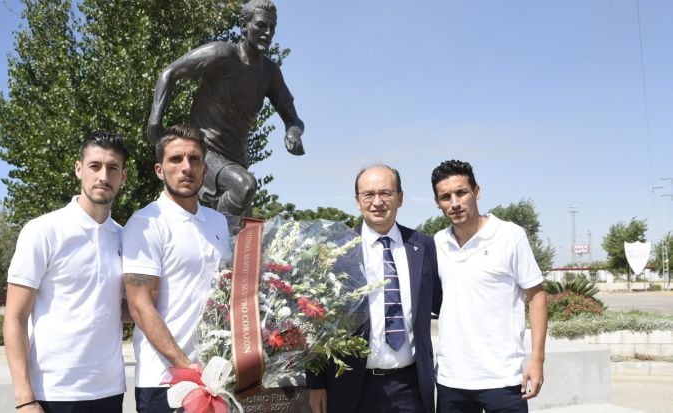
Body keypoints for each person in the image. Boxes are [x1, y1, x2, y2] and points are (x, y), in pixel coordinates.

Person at [3, 131, 129, 412]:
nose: (103, 177)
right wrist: (24, 398)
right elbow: (15, 317)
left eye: (113, 168)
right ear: (78, 169)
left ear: (123, 176)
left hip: (109, 389)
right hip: (53, 391)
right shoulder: (42, 231)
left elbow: (118, 307)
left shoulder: (124, 238)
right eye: (95, 166)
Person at [146, 0, 305, 218]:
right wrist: (155, 121)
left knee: (246, 229)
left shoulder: (270, 73)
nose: (267, 33)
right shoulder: (221, 54)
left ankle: (222, 241)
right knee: (245, 187)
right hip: (204, 151)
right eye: (261, 25)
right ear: (244, 27)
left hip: (236, 160)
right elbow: (169, 73)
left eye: (272, 28)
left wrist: (292, 132)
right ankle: (219, 240)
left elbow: (293, 119)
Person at [307, 165, 442, 413]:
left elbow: (445, 304)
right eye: (368, 194)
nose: (377, 202)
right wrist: (315, 384)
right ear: (357, 201)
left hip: (409, 387)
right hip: (350, 387)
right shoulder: (335, 251)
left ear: (400, 198)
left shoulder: (424, 247)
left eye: (386, 193)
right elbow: (315, 321)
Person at [122, 124, 232, 413]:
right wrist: (187, 366)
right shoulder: (146, 223)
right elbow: (140, 307)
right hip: (166, 381)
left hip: (217, 378)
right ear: (160, 170)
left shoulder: (218, 222)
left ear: (205, 169)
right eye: (176, 159)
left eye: (194, 159)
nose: (186, 167)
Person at [430, 159, 547, 412]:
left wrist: (537, 359)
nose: (455, 203)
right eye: (445, 197)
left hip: (503, 379)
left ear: (477, 191)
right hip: (452, 379)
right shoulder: (437, 244)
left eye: (462, 192)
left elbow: (536, 296)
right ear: (437, 202)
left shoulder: (510, 236)